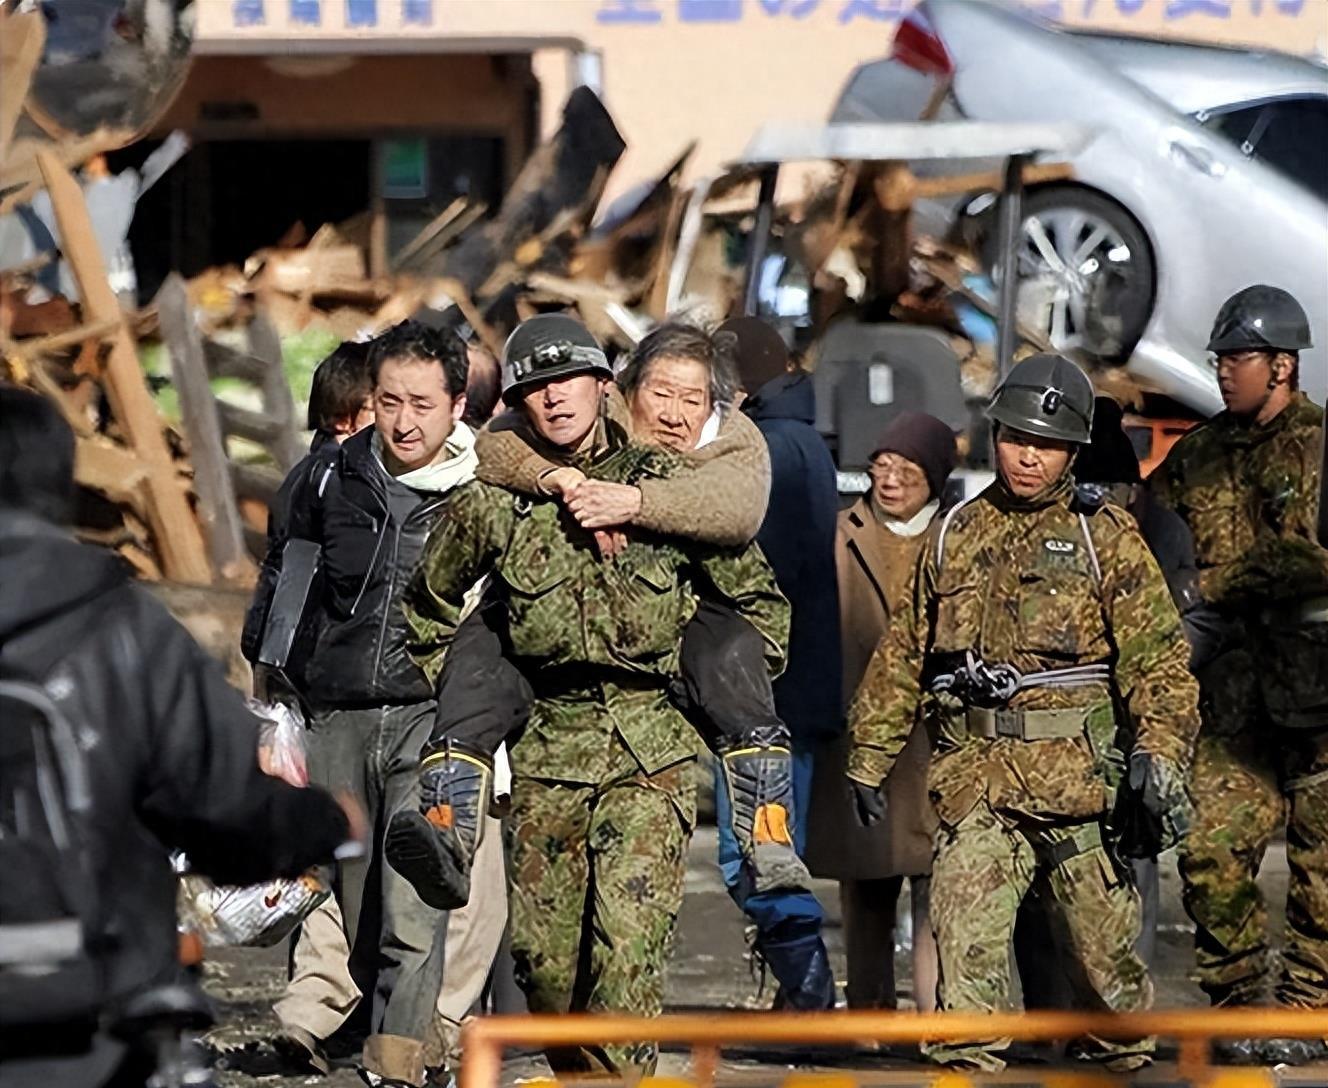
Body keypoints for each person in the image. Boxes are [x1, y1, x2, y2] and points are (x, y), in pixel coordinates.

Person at [397, 315, 790, 1077]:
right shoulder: (498, 500)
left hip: (651, 753)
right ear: (519, 402)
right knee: (544, 963)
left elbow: (758, 603)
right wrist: (473, 682)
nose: (554, 399)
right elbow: (430, 600)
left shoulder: (665, 486)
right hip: (548, 750)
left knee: (628, 952)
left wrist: (718, 680)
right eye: (537, 387)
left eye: (567, 381)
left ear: (603, 387)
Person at [847, 354, 1200, 1074]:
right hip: (978, 790)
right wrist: (868, 757)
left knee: (1108, 985)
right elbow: (905, 651)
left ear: (1072, 451)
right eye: (1016, 438)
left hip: (1079, 796)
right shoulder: (956, 532)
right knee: (966, 977)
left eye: (1047, 444)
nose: (1028, 457)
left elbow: (1159, 663)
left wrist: (1158, 752)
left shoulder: (1106, 539)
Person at [0, 386, 355, 1088]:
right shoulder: (122, 630)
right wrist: (320, 823)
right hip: (95, 1000)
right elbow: (223, 808)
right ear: (62, 487)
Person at [243, 321, 477, 1088]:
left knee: (414, 902)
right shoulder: (324, 480)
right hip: (337, 713)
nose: (403, 422)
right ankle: (388, 1042)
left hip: (431, 717)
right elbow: (284, 588)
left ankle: (399, 1062)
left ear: (457, 406)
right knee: (354, 908)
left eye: (422, 404)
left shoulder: (483, 491)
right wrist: (276, 700)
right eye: (389, 401)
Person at [1152, 285, 1328, 1065]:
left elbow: (1310, 557)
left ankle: (1309, 1010)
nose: (1224, 372)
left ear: (1282, 366)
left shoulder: (1320, 445)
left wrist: (1216, 585)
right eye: (1219, 360)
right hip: (1232, 703)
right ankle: (1238, 1005)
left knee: (1323, 870)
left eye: (1239, 359)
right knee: (1207, 853)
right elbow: (1152, 535)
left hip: (1318, 697)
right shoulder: (1199, 455)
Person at [709, 316, 840, 1010]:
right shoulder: (801, 440)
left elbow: (761, 573)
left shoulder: (769, 449)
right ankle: (800, 988)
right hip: (792, 689)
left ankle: (808, 988)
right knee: (768, 846)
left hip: (768, 695)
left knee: (756, 852)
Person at [806, 411, 956, 1012]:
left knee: (938, 892)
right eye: (881, 467)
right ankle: (869, 1020)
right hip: (858, 735)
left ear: (935, 476)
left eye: (907, 469)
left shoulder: (956, 538)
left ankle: (933, 1024)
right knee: (866, 891)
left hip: (939, 742)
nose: (890, 480)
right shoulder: (839, 535)